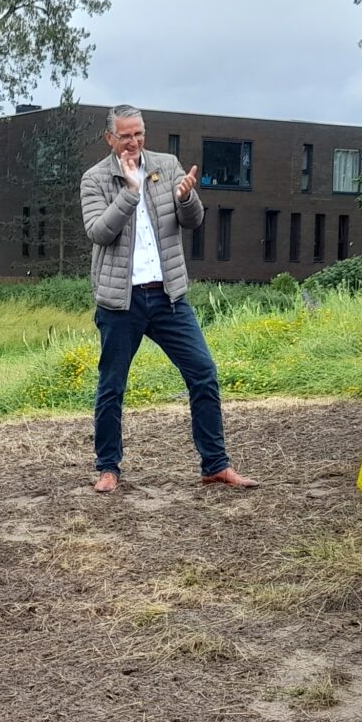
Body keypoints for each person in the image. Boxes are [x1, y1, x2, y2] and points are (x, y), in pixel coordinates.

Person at [80, 104, 258, 493]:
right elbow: (98, 232)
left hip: (169, 296)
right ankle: (109, 467)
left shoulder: (167, 164)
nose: (133, 142)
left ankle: (215, 464)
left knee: (204, 374)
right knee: (112, 387)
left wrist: (187, 198)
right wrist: (130, 191)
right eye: (125, 135)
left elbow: (193, 220)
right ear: (110, 138)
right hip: (120, 302)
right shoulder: (94, 179)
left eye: (139, 133)